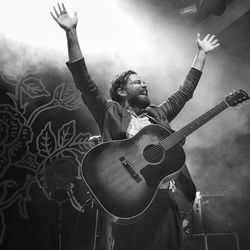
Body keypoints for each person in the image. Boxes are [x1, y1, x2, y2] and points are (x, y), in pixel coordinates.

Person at [51, 3, 220, 250]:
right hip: (127, 203)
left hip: (163, 201)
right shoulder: (110, 111)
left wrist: (202, 53)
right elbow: (83, 80)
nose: (144, 85)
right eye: (136, 82)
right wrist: (71, 32)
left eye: (144, 82)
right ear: (121, 91)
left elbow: (185, 92)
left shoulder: (158, 115)